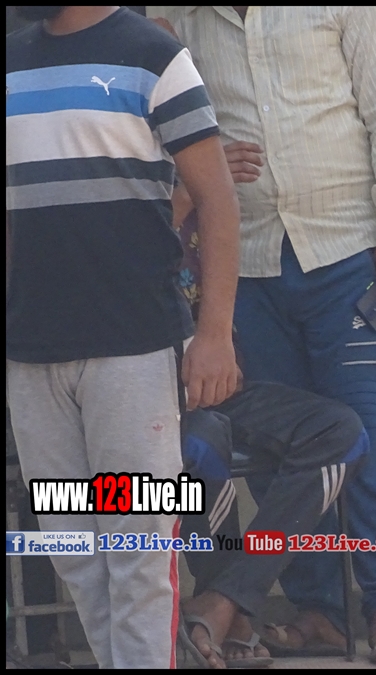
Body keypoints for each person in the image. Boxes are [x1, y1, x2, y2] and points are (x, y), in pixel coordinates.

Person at [158, 6, 376, 664]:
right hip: (242, 264)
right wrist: (202, 169)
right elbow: (162, 139)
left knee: (371, 432)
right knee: (281, 449)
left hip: (347, 250)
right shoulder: (178, 20)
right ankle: (319, 611)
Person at [6, 5, 240, 669]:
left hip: (134, 351)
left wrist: (214, 334)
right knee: (76, 554)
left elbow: (218, 199)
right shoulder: (11, 62)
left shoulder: (153, 55)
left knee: (138, 553)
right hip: (32, 355)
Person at [170, 200, 370, 669]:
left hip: (218, 387)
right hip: (147, 398)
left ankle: (222, 602)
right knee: (203, 444)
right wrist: (181, 197)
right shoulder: (132, 193)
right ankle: (230, 611)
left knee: (342, 433)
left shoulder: (212, 204)